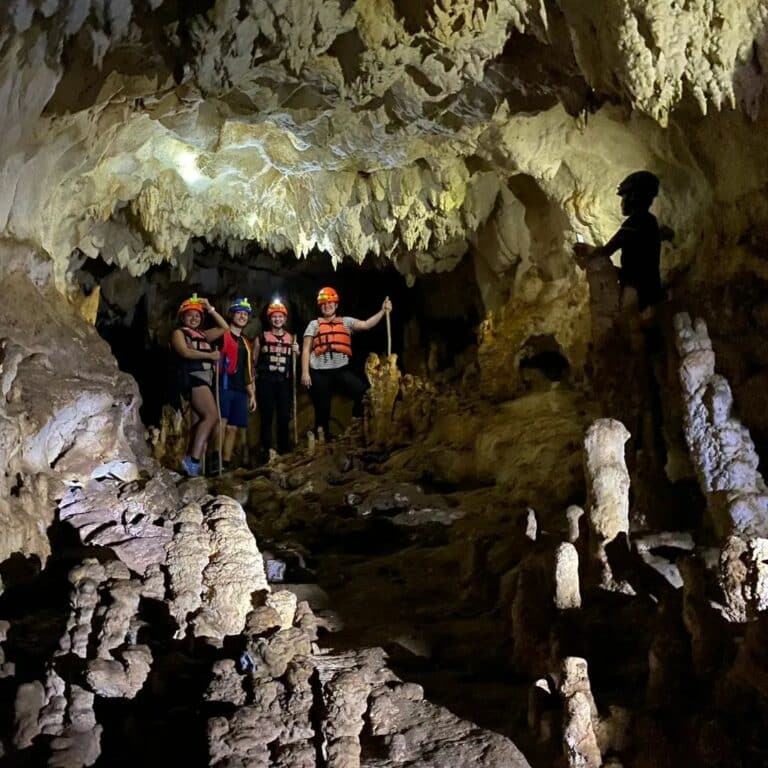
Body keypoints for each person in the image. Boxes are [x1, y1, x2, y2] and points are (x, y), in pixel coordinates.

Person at [574, 170, 673, 313]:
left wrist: (588, 251)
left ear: (634, 197)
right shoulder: (650, 221)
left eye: (624, 197)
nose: (622, 203)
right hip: (651, 290)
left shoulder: (634, 223)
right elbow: (641, 263)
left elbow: (607, 251)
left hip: (638, 294)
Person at [301, 286, 392, 439]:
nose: (327, 306)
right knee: (322, 406)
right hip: (319, 371)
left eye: (330, 303)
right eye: (324, 304)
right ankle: (322, 437)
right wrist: (305, 372)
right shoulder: (314, 324)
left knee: (362, 391)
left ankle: (356, 424)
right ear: (320, 306)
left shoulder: (346, 322)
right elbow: (305, 350)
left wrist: (383, 311)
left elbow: (366, 324)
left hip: (340, 369)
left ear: (336, 305)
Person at [171, 295, 228, 477]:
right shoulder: (179, 333)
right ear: (183, 317)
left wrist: (210, 308)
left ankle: (190, 468)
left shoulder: (203, 335)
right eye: (190, 315)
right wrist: (210, 356)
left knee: (198, 423)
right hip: (192, 378)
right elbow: (185, 352)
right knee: (212, 416)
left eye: (197, 316)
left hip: (204, 379)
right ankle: (193, 461)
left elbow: (224, 328)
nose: (194, 318)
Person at [254, 298, 300, 456]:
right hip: (266, 381)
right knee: (267, 415)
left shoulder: (292, 339)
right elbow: (253, 361)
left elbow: (295, 363)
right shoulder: (261, 338)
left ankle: (284, 448)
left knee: (284, 415)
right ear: (269, 319)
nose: (277, 319)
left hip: (284, 382)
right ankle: (266, 449)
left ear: (285, 319)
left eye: (280, 316)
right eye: (274, 316)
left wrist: (297, 352)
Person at [218, 297, 257, 470]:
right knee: (222, 423)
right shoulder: (223, 336)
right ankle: (215, 460)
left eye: (245, 314)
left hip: (240, 389)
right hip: (224, 385)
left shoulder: (246, 343)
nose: (242, 316)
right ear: (232, 314)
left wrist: (252, 394)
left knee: (233, 428)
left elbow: (247, 371)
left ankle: (225, 462)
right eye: (239, 313)